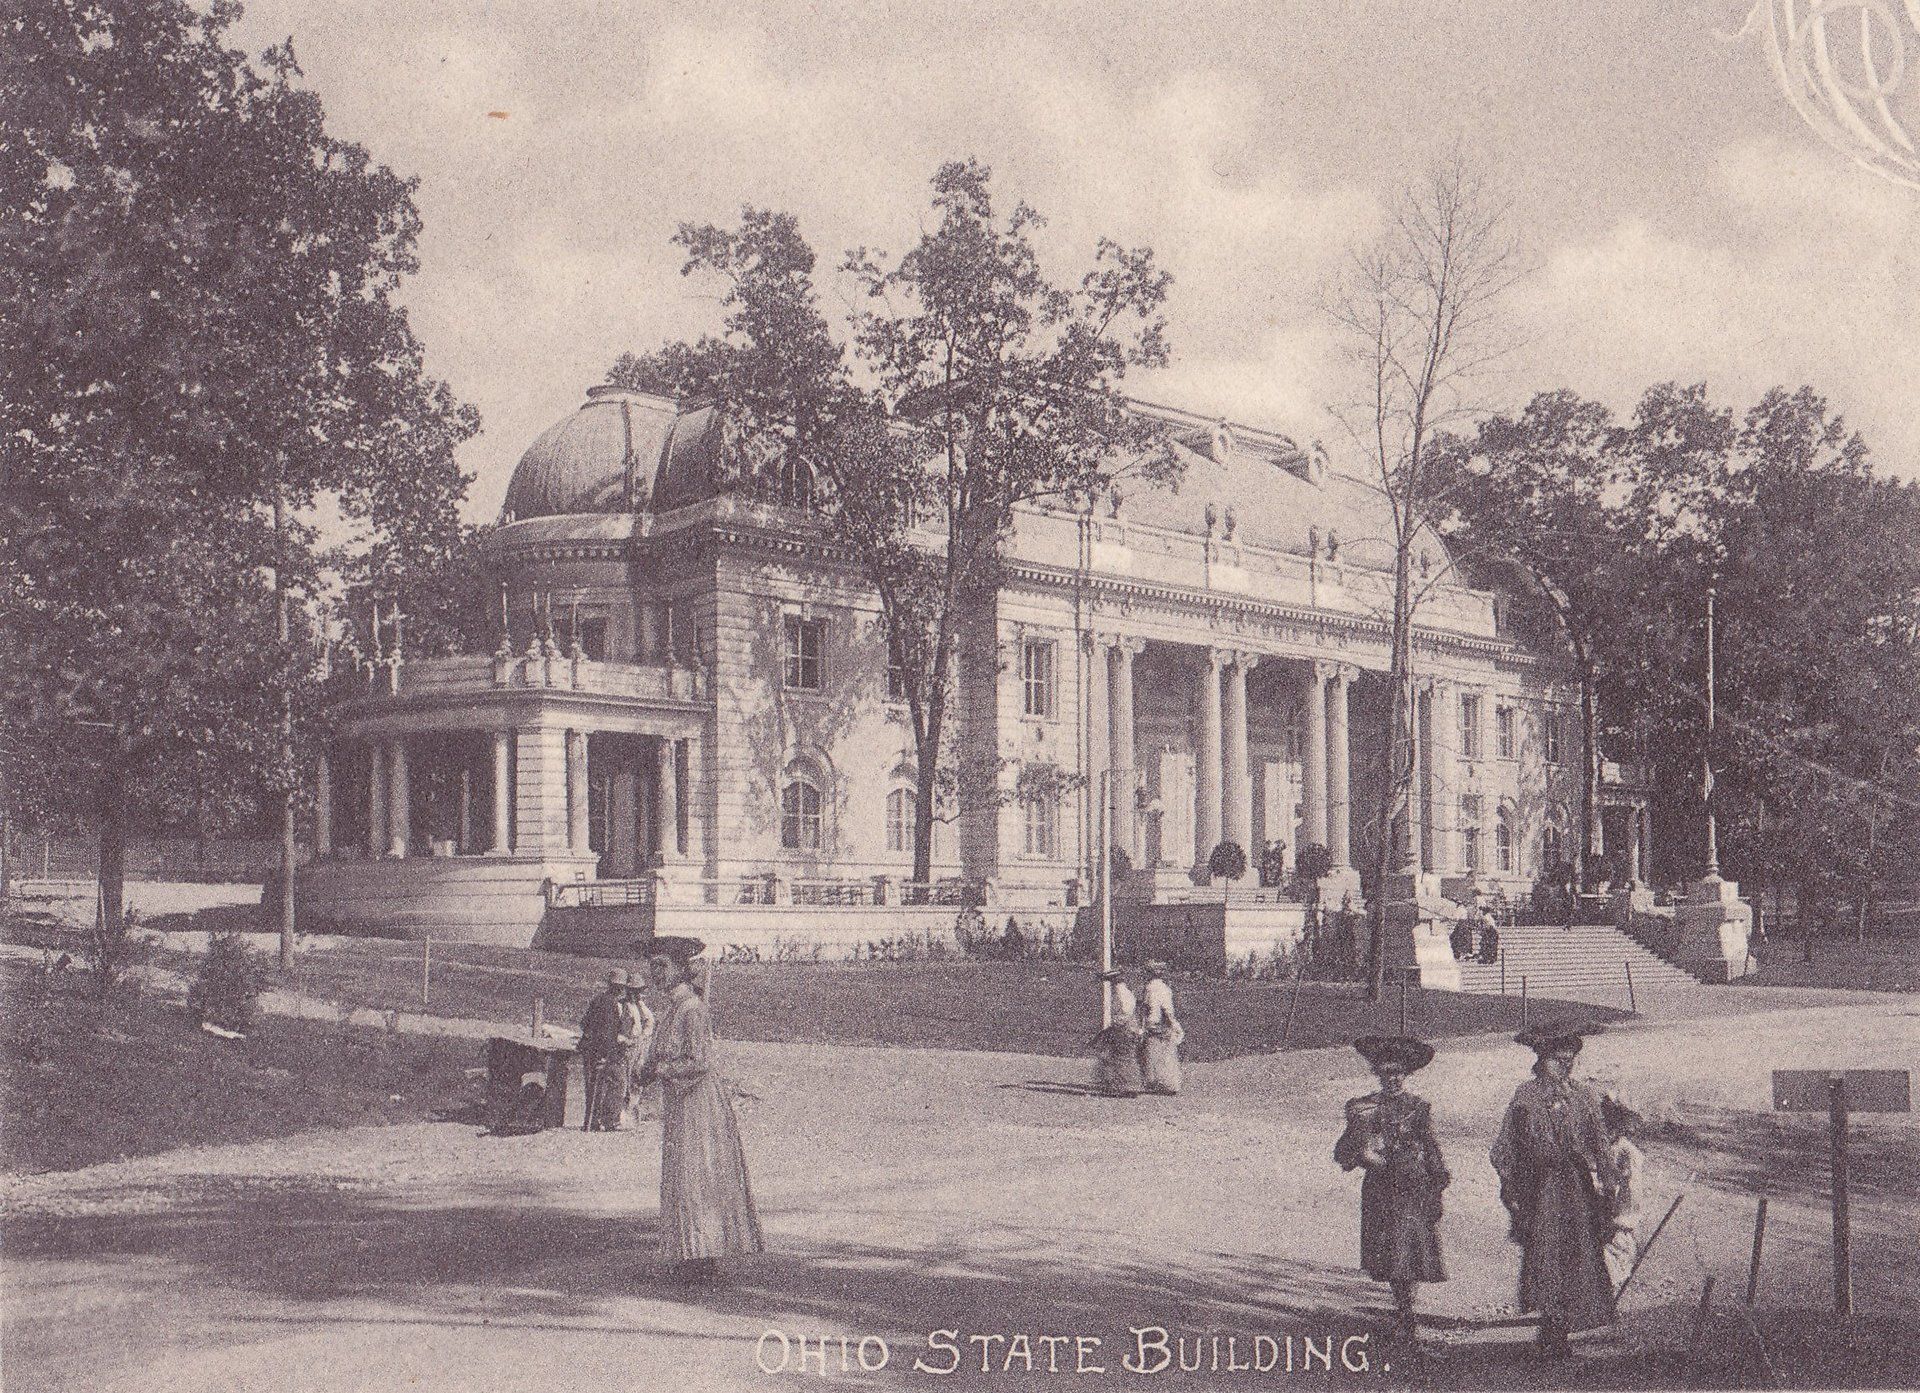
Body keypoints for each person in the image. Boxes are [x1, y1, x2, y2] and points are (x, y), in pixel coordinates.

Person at [637, 935, 763, 1282]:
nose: (656, 974)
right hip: (681, 1102)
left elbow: (700, 1063)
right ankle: (689, 1254)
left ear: (680, 969)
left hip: (699, 1102)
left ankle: (703, 1257)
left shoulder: (692, 1009)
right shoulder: (674, 1009)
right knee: (682, 1175)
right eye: (653, 967)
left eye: (662, 966)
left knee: (698, 1174)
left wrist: (659, 1070)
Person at [1490, 1023, 1620, 1359]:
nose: (1565, 1066)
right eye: (1557, 1060)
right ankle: (1551, 1325)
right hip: (1541, 1189)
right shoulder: (1526, 1096)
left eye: (1570, 1060)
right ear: (1540, 1061)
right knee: (1546, 1255)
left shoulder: (1583, 1096)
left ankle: (1561, 1327)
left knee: (1577, 1254)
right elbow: (1504, 1147)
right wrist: (1511, 1185)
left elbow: (1601, 1143)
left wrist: (1609, 1183)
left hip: (1576, 1190)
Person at [1334, 1036, 1449, 1343]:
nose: (1394, 1078)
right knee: (1391, 1250)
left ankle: (1406, 1310)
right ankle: (1403, 1309)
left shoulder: (1418, 1108)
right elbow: (1344, 1153)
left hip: (1413, 1185)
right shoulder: (1363, 1108)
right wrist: (1363, 1152)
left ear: (1406, 1074)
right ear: (1378, 1074)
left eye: (1399, 1072)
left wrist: (1437, 1182)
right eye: (1387, 1073)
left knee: (1409, 1248)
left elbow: (1431, 1146)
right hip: (1382, 1187)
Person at [1600, 1095, 1647, 1290]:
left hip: (1617, 1225)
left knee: (1610, 1264)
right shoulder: (1607, 1148)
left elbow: (1630, 1194)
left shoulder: (1626, 1152)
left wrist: (1616, 1218)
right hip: (1605, 1219)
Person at [577, 968, 630, 1131]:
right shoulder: (612, 1004)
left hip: (589, 1049)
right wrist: (605, 1054)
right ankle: (610, 1121)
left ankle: (592, 1121)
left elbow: (584, 1023)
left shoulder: (598, 999)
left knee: (593, 1085)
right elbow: (607, 1034)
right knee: (618, 1082)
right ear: (620, 988)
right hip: (603, 1051)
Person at [1089, 968, 1143, 1096]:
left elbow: (1125, 1012)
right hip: (1127, 1026)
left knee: (1121, 1056)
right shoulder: (1124, 992)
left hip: (1124, 1027)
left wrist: (1115, 1026)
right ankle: (1120, 1085)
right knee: (1119, 1056)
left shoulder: (1121, 993)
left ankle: (1126, 1086)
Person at [1139, 961, 1183, 1095]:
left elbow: (1147, 1007)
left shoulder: (1149, 988)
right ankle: (1168, 1082)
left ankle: (1155, 1081)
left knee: (1152, 1052)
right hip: (1164, 1021)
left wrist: (1144, 1023)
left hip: (1153, 1021)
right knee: (1166, 1054)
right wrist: (1171, 1021)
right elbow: (1168, 1009)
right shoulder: (1165, 988)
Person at [619, 972, 657, 1126]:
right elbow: (621, 1027)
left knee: (637, 1079)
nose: (636, 993)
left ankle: (633, 1110)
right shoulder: (623, 1006)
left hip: (640, 1046)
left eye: (638, 990)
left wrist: (644, 1037)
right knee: (624, 1080)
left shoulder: (641, 1006)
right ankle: (621, 1113)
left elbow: (650, 1023)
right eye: (633, 990)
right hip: (627, 1046)